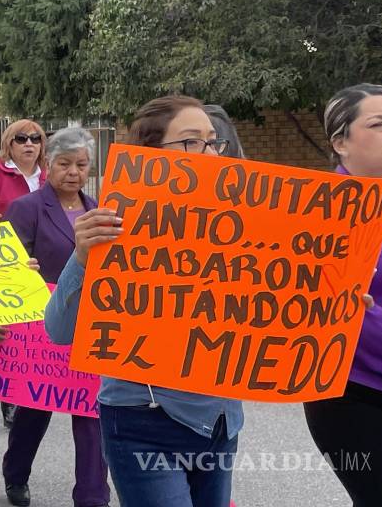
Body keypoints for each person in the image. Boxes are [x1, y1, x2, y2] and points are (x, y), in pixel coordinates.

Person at [45, 95, 241, 507]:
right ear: (152, 155)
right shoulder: (114, 225)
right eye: (191, 142)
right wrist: (82, 257)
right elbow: (60, 330)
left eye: (212, 141)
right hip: (142, 419)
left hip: (220, 421)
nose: (207, 152)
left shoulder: (240, 227)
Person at [1, 127, 109, 507]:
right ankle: (16, 474)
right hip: (39, 328)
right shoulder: (27, 208)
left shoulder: (98, 210)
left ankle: (93, 495)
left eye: (81, 165)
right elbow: (4, 268)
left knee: (92, 415)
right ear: (48, 165)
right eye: (65, 164)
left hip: (88, 328)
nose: (74, 172)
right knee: (34, 411)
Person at [304, 84, 382, 506]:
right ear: (340, 142)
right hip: (352, 396)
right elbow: (354, 312)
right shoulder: (324, 213)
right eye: (378, 124)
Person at [0, 119, 48, 214]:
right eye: (21, 138)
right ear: (9, 144)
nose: (29, 144)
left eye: (35, 138)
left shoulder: (51, 175)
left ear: (41, 145)